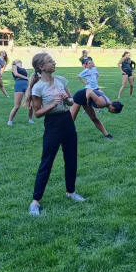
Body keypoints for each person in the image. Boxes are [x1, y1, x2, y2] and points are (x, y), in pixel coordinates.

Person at [28, 53, 85, 216]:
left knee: (71, 158)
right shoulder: (38, 87)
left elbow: (72, 101)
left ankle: (71, 192)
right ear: (41, 67)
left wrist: (67, 100)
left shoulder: (61, 80)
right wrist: (52, 104)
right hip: (52, 124)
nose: (54, 63)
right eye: (50, 61)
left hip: (67, 121)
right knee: (46, 162)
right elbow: (37, 113)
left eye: (53, 61)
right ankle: (35, 201)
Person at [7, 59, 33, 126]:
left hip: (26, 85)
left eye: (19, 62)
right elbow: (16, 74)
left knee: (30, 104)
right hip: (19, 85)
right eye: (17, 62)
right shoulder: (14, 66)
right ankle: (10, 121)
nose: (19, 63)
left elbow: (28, 77)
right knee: (17, 106)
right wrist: (26, 78)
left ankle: (30, 119)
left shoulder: (24, 69)